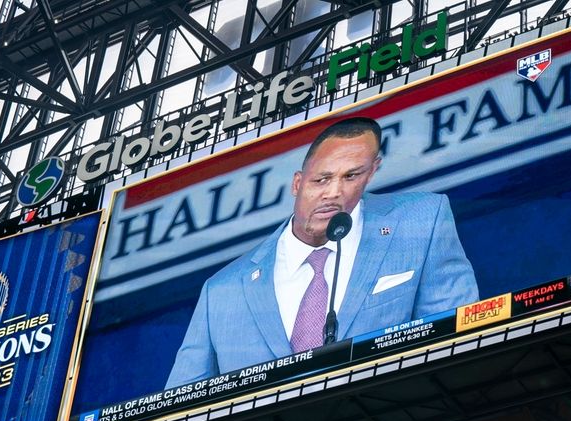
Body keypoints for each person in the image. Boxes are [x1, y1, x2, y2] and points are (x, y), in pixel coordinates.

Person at [165, 117, 478, 388]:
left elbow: (456, 345)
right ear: (297, 183)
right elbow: (181, 406)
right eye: (322, 179)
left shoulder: (421, 220)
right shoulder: (222, 290)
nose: (333, 192)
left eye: (351, 176)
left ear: (371, 173)